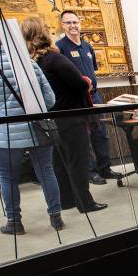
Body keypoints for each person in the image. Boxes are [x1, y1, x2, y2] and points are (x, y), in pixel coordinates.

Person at [0, 18, 63, 235]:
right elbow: (49, 99)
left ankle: (14, 222)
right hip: (38, 128)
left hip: (6, 133)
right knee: (46, 172)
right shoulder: (27, 63)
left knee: (7, 176)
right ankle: (56, 217)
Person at [21, 18, 106, 214]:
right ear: (44, 34)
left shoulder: (34, 61)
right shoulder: (54, 58)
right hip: (72, 116)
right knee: (78, 160)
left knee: (61, 161)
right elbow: (79, 83)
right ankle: (85, 202)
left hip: (53, 117)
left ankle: (67, 200)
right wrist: (86, 82)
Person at [56, 10, 121, 185]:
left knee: (101, 133)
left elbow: (93, 70)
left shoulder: (87, 46)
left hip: (94, 97)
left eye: (75, 22)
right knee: (84, 137)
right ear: (62, 25)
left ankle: (105, 168)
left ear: (80, 23)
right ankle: (91, 172)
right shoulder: (60, 47)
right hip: (77, 100)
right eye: (68, 23)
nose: (73, 26)